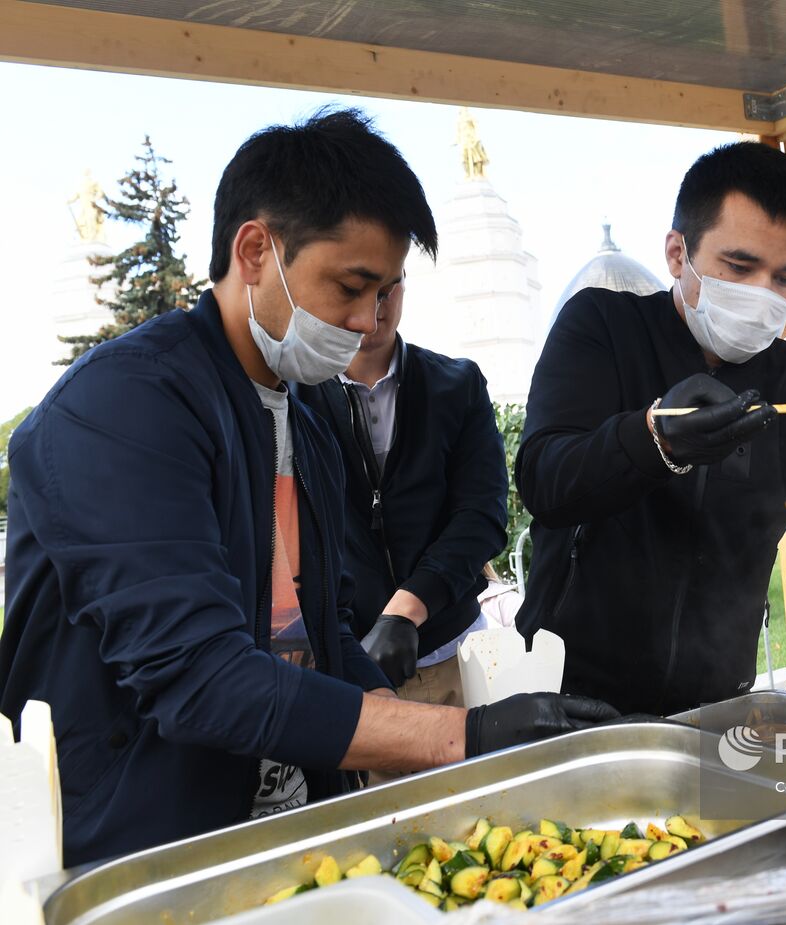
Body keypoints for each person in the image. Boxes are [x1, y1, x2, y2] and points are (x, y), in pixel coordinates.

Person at [0, 109, 616, 866]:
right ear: (256, 249)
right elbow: (202, 680)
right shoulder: (124, 407)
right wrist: (463, 735)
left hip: (284, 827)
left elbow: (320, 635)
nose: (366, 322)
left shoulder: (307, 411)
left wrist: (427, 737)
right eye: (350, 286)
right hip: (139, 848)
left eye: (386, 292)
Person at [514, 142, 786, 716]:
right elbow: (545, 481)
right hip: (572, 695)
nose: (762, 295)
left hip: (717, 707)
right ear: (677, 253)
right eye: (739, 267)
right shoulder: (603, 328)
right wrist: (656, 439)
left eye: (785, 278)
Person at [292, 277, 509, 706]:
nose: (374, 304)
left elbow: (482, 515)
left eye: (388, 287)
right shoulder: (292, 400)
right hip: (347, 672)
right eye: (353, 285)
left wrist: (410, 607)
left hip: (455, 655)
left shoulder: (456, 384)